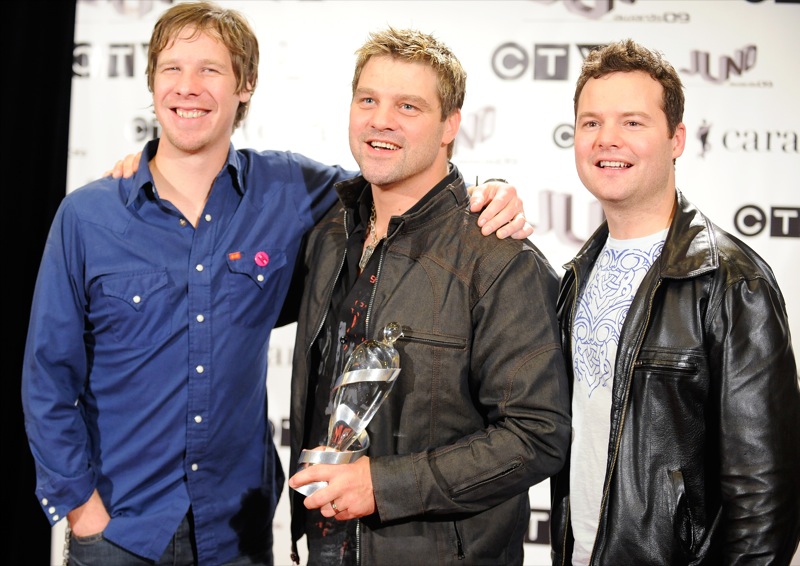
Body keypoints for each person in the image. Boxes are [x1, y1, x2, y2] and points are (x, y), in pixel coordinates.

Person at [20, 3, 532, 566]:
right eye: (172, 69)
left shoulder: (289, 189)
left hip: (236, 531)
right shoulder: (88, 216)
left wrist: (489, 191)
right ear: (151, 82)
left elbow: (402, 179)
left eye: (210, 69)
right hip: (119, 532)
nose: (188, 87)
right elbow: (47, 380)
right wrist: (83, 513)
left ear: (245, 85)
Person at [285, 27, 571, 566]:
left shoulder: (499, 258)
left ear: (450, 125)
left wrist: (383, 485)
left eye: (408, 106)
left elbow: (537, 435)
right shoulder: (329, 235)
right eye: (367, 100)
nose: (380, 120)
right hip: (326, 546)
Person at [549, 38, 800, 565]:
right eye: (591, 122)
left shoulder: (733, 282)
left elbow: (764, 499)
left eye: (632, 122)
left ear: (676, 138)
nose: (607, 139)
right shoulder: (574, 276)